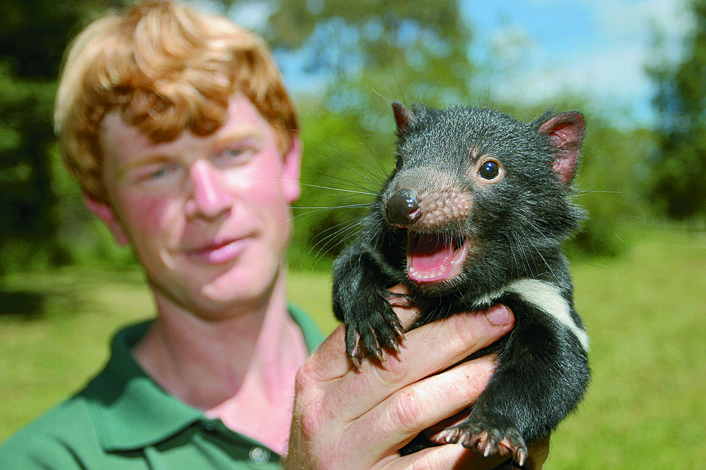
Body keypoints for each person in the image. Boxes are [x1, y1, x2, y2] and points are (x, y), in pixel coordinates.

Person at [0, 1, 549, 468]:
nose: (208, 202)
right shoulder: (47, 458)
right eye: (157, 171)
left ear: (289, 163)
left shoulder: (442, 362)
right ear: (110, 213)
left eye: (233, 152)